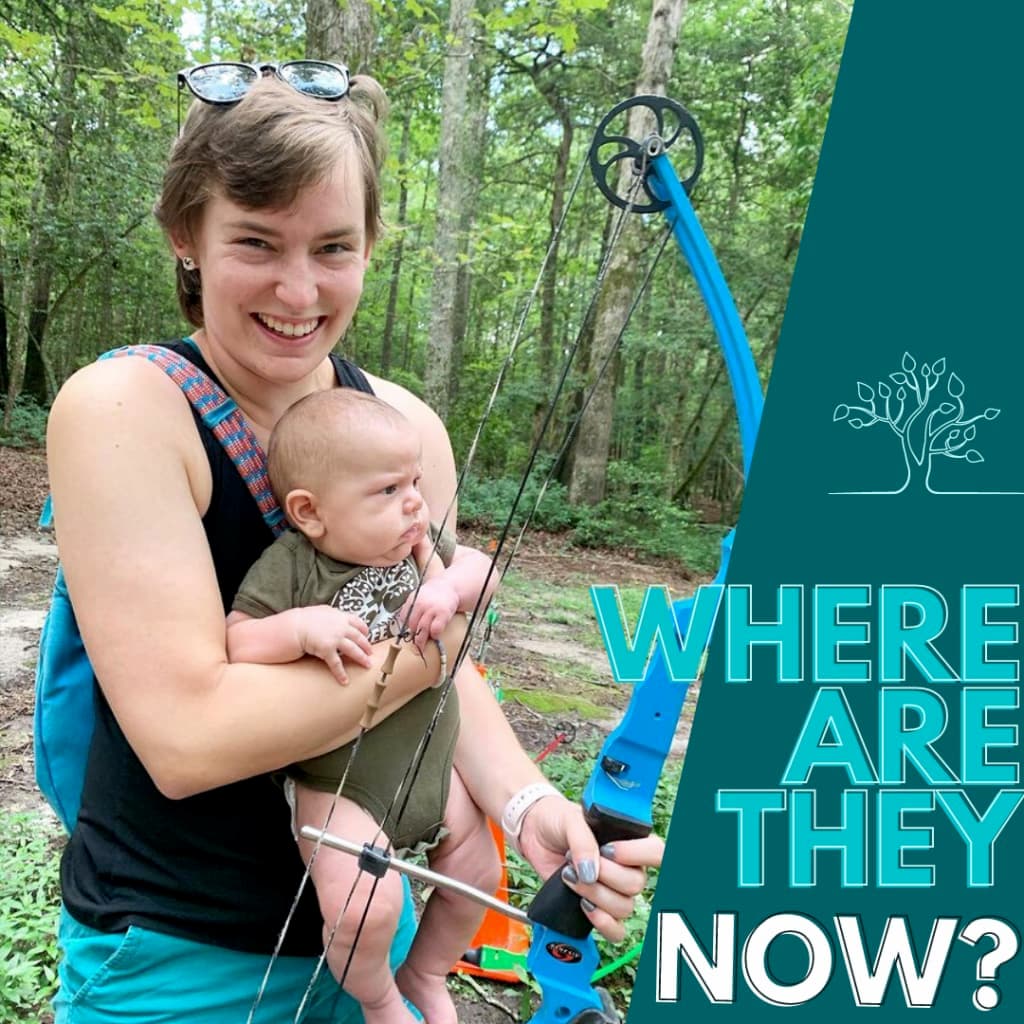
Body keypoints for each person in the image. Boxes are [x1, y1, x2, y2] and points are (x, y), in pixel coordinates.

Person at [45, 60, 664, 1024]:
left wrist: (528, 806)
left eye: (334, 246)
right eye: (255, 240)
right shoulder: (126, 408)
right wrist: (435, 641)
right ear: (186, 238)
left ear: (372, 242)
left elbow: (449, 673)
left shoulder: (403, 427)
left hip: (376, 940)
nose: (299, 289)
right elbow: (187, 740)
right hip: (173, 957)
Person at [226, 386, 501, 1024]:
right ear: (310, 512)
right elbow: (239, 639)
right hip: (339, 780)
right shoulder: (291, 566)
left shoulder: (418, 544)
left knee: (478, 872)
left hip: (433, 764)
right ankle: (379, 1001)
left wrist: (454, 588)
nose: (414, 502)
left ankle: (427, 973)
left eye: (415, 481)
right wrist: (299, 629)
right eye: (387, 491)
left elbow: (485, 572)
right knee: (360, 907)